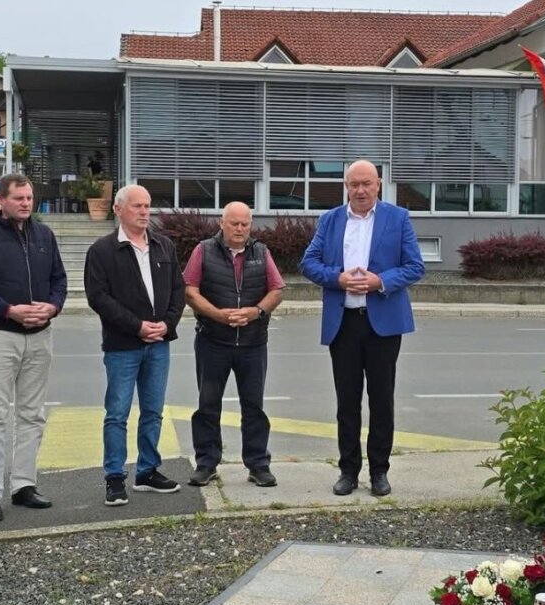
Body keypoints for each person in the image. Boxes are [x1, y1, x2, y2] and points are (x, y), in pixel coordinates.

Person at [300, 159, 425, 498]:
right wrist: (337, 278)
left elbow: (415, 267)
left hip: (383, 325)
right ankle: (348, 471)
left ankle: (380, 471)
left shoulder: (397, 218)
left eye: (366, 183)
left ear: (379, 184)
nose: (360, 190)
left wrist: (379, 281)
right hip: (344, 325)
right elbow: (308, 263)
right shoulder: (330, 220)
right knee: (347, 403)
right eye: (354, 184)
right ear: (346, 186)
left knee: (382, 401)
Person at [0, 173, 67, 523]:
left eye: (29, 197)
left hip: (40, 335)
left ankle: (24, 484)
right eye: (18, 198)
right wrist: (9, 310)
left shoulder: (44, 235)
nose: (25, 203)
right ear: (0, 200)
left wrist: (52, 306)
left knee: (32, 414)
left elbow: (59, 280)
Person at [84, 184, 185, 506]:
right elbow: (99, 298)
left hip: (159, 344)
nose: (144, 212)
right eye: (137, 206)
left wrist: (167, 324)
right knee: (117, 413)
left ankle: (148, 470)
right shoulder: (101, 251)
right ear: (118, 209)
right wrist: (137, 326)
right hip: (122, 346)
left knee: (153, 412)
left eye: (147, 206)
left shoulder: (163, 246)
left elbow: (178, 291)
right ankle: (115, 477)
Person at [182, 202, 284, 488]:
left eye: (245, 224)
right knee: (208, 405)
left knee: (254, 407)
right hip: (213, 341)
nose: (240, 229)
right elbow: (190, 291)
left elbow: (277, 291)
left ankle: (258, 464)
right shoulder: (203, 250)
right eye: (234, 223)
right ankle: (206, 463)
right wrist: (218, 315)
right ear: (222, 223)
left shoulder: (262, 252)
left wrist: (256, 312)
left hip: (253, 344)